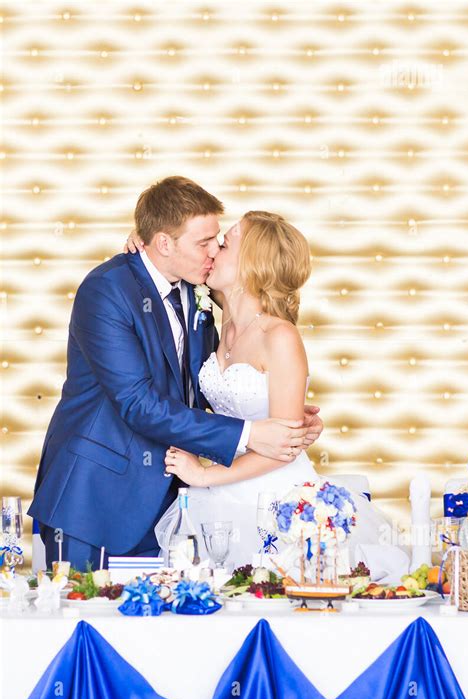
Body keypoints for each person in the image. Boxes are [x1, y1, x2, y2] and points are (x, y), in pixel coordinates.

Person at [28, 178, 323, 570]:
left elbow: (199, 390)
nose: (215, 249)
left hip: (177, 501)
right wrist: (254, 432)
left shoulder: (201, 292)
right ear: (165, 244)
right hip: (96, 499)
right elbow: (138, 402)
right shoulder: (107, 290)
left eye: (220, 240)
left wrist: (285, 416)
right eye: (205, 242)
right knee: (82, 619)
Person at [126, 210, 393, 568]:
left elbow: (283, 447)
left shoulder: (279, 336)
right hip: (222, 491)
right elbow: (162, 263)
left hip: (274, 497)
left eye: (225, 241)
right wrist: (141, 244)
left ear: (252, 262)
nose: (213, 248)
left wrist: (205, 475)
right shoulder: (216, 322)